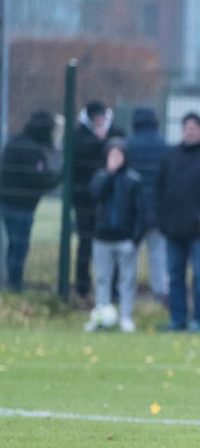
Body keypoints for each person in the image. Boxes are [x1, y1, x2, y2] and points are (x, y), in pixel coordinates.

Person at [156, 112, 200, 333]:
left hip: (199, 229)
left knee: (199, 275)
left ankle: (198, 319)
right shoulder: (172, 155)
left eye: (195, 126)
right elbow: (160, 188)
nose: (190, 130)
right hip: (174, 228)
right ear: (182, 130)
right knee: (175, 276)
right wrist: (163, 217)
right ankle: (177, 319)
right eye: (187, 126)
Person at [86, 139, 145, 332]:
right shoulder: (100, 176)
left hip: (125, 240)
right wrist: (109, 174)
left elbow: (140, 212)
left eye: (119, 155)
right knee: (102, 278)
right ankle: (102, 316)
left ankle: (126, 317)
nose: (115, 159)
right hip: (102, 238)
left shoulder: (133, 180)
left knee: (127, 280)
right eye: (112, 155)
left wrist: (135, 238)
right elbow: (94, 196)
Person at [0, 111, 62, 291]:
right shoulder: (30, 149)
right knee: (18, 246)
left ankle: (13, 282)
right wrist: (60, 176)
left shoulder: (18, 142)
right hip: (20, 207)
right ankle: (14, 284)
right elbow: (37, 179)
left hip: (10, 203)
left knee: (14, 245)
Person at [72, 101, 125, 304]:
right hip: (84, 201)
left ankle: (113, 291)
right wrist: (98, 141)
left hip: (109, 200)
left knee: (112, 244)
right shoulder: (79, 135)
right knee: (85, 244)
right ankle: (83, 289)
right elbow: (77, 154)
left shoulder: (116, 132)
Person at [126, 107, 170, 304]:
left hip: (133, 209)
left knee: (130, 253)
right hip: (159, 209)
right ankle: (160, 292)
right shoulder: (164, 147)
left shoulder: (129, 146)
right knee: (158, 253)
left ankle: (128, 292)